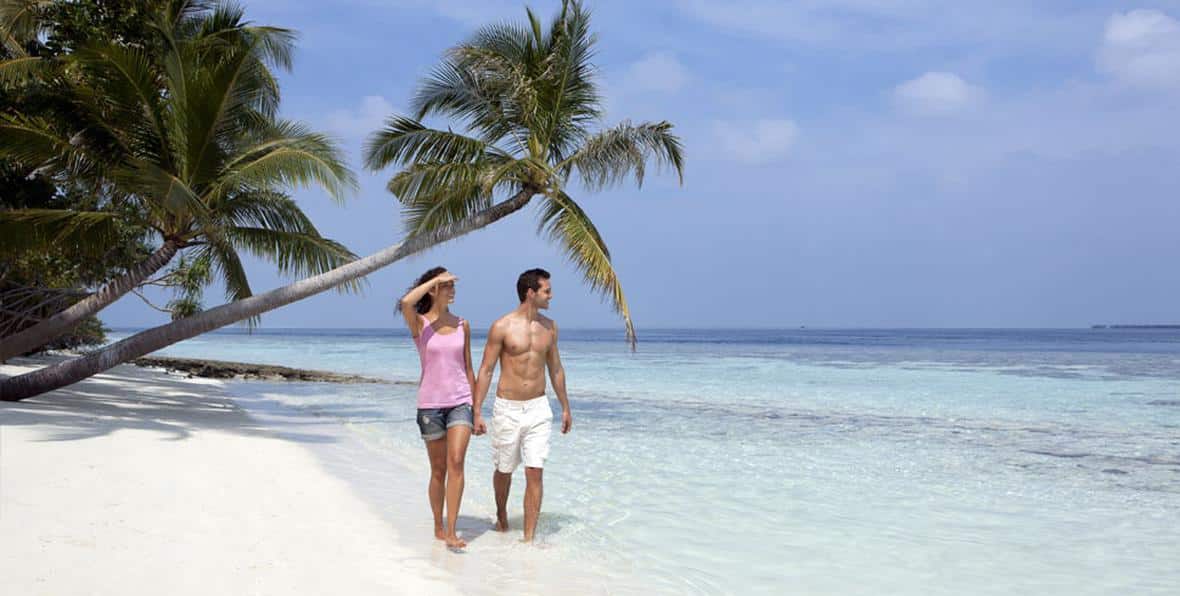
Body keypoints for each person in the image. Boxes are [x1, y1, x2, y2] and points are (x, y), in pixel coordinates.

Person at [472, 268, 572, 543]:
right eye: (546, 291)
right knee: (504, 469)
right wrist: (477, 411)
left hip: (539, 408)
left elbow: (556, 370)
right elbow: (486, 370)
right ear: (531, 293)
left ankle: (529, 538)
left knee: (535, 470)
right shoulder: (502, 326)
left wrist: (565, 406)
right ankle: (502, 514)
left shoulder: (550, 327)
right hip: (507, 408)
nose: (551, 295)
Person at [399, 266, 475, 549]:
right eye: (447, 285)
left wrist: (476, 409)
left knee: (456, 463)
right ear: (433, 289)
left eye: (453, 284)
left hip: (460, 403)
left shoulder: (462, 324)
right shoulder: (419, 324)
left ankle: (452, 530)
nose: (452, 289)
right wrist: (434, 279)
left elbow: (468, 368)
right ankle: (438, 523)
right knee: (439, 470)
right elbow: (405, 302)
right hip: (430, 406)